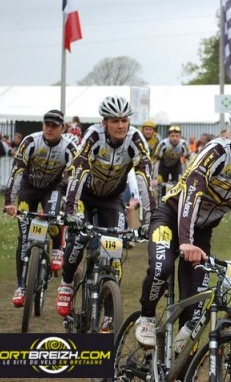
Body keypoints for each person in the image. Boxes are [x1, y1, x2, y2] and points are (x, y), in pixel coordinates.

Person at [134, 102, 231, 348]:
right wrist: (184, 241)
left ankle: (174, 363)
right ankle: (147, 316)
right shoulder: (215, 153)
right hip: (171, 218)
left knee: (195, 307)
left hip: (202, 232)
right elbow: (190, 195)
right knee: (162, 268)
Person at [56, 96, 156, 319]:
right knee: (79, 237)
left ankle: (110, 315)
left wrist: (151, 219)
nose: (121, 125)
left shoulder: (136, 139)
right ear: (104, 122)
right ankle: (67, 282)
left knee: (115, 247)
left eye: (124, 120)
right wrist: (71, 209)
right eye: (114, 121)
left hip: (111, 199)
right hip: (86, 195)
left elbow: (145, 179)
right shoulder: (93, 136)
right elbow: (78, 170)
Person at [4, 110, 77, 307]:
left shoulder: (69, 147)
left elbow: (75, 177)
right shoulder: (30, 142)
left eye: (54, 126)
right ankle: (21, 285)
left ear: (62, 128)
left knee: (52, 216)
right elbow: (16, 171)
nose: (49, 129)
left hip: (52, 188)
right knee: (24, 237)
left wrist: (71, 204)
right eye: (47, 124)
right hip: (28, 188)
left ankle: (57, 247)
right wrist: (9, 201)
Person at [153, 125, 189, 196]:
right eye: (172, 136)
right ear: (168, 136)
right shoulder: (163, 144)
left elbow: (188, 160)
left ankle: (175, 199)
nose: (175, 138)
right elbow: (156, 160)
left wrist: (188, 174)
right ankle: (162, 198)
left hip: (176, 165)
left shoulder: (184, 144)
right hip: (163, 165)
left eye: (177, 136)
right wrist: (154, 176)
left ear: (180, 136)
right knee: (162, 184)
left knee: (178, 183)